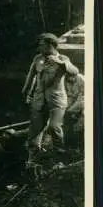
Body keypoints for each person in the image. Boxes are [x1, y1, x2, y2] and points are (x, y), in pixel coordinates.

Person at [21, 33, 79, 161]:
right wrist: (26, 91)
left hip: (56, 101)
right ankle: (33, 159)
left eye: (42, 45)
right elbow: (31, 76)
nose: (39, 48)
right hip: (39, 100)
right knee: (34, 131)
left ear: (50, 45)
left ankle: (59, 155)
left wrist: (60, 63)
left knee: (54, 127)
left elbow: (75, 71)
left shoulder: (63, 58)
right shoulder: (38, 58)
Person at [64, 72, 85, 149]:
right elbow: (70, 96)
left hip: (86, 102)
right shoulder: (67, 81)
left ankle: (78, 145)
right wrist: (66, 107)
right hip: (76, 103)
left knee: (79, 125)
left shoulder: (81, 79)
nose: (70, 79)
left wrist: (71, 110)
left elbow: (83, 98)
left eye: (71, 77)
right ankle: (69, 143)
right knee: (67, 118)